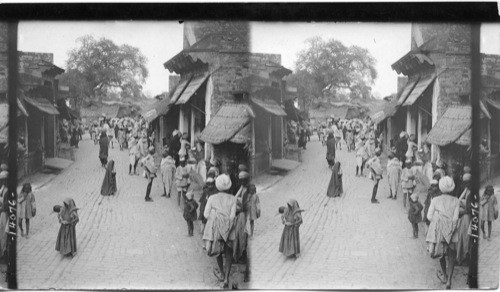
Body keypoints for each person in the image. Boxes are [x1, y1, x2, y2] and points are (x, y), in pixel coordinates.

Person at [203, 174, 237, 288]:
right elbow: (232, 216)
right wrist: (226, 223)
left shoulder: (212, 198)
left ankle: (222, 274)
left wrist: (216, 217)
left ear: (217, 186)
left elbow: (206, 214)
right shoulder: (233, 198)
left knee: (217, 252)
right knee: (228, 254)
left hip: (216, 230)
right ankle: (227, 278)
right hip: (229, 230)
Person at [426, 176, 460, 289]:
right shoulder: (456, 201)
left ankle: (445, 276)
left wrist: (439, 220)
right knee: (451, 255)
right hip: (452, 231)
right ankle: (449, 280)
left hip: (439, 232)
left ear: (440, 187)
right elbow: (455, 219)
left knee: (440, 254)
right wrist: (450, 227)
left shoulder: (435, 200)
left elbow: (429, 216)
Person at [456, 173, 471, 265]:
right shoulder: (466, 190)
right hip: (464, 217)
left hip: (469, 217)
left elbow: (469, 209)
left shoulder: (472, 192)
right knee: (461, 236)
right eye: (465, 183)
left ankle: (466, 258)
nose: (466, 184)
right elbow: (459, 200)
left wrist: (461, 210)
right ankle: (461, 257)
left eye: (468, 182)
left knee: (466, 238)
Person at [0, 171, 7, 258]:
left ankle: (4, 252)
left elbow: (6, 206)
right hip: (2, 213)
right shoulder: (2, 188)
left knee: (4, 233)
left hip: (5, 214)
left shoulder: (7, 191)